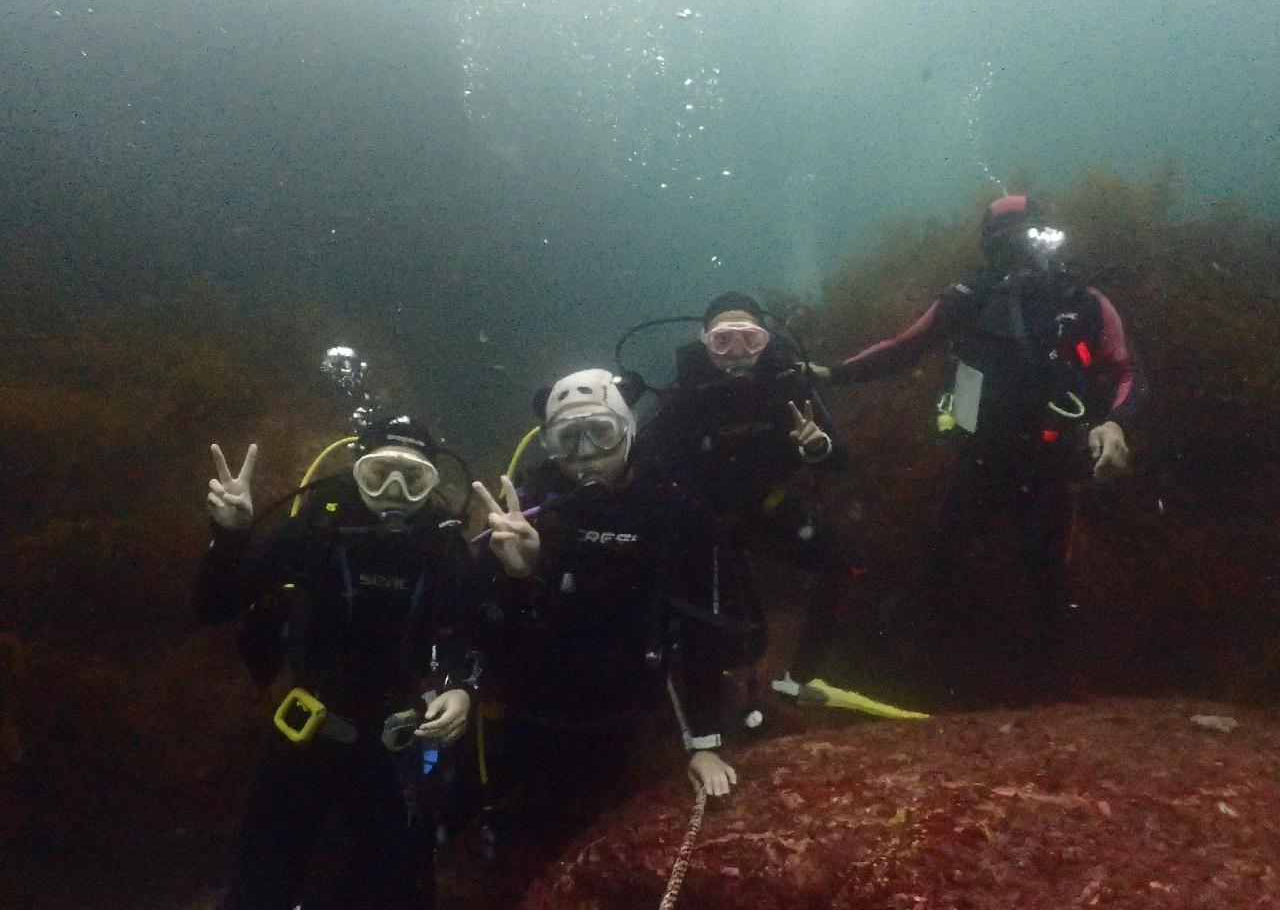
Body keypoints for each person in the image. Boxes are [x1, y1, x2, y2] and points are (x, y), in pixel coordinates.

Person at [813, 194, 1148, 650]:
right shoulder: (967, 301)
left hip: (1051, 456)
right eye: (1005, 245)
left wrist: (1116, 423)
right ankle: (908, 652)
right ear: (989, 250)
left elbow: (1126, 370)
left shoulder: (1081, 301)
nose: (1019, 255)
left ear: (1046, 240)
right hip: (982, 453)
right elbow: (905, 349)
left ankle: (1043, 667)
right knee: (944, 560)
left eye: (1026, 240)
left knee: (1045, 573)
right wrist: (831, 373)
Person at [196, 414, 480, 910]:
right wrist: (231, 536)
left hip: (400, 742)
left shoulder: (443, 544)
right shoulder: (318, 524)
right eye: (378, 475)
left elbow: (468, 634)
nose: (394, 493)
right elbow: (212, 607)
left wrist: (462, 689)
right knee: (259, 886)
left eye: (413, 479)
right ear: (356, 471)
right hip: (307, 731)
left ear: (432, 484)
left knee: (397, 892)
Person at [472, 368, 736, 875]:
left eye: (602, 431)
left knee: (601, 839)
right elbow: (482, 621)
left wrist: (704, 741)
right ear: (549, 445)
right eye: (568, 438)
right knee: (517, 839)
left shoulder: (672, 507)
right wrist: (520, 573)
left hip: (624, 703)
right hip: (533, 701)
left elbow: (700, 626)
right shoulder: (529, 505)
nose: (587, 452)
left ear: (629, 431)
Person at [635, 293, 921, 717]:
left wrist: (817, 447)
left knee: (844, 563)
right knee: (735, 635)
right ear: (704, 343)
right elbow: (642, 460)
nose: (737, 353)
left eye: (750, 339)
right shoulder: (685, 393)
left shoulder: (788, 383)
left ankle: (801, 677)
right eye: (723, 341)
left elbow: (839, 458)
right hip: (703, 525)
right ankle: (694, 692)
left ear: (766, 341)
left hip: (766, 509)